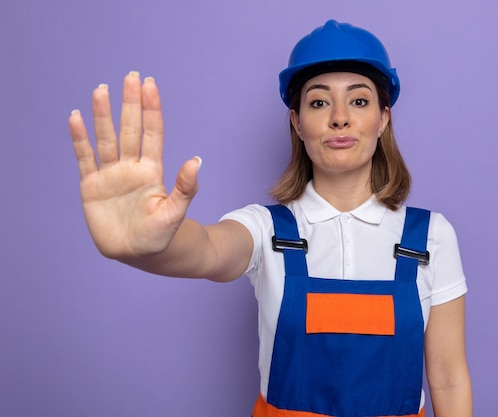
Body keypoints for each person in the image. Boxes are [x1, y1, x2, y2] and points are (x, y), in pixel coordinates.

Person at [69, 19, 472, 417]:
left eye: (359, 100)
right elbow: (207, 250)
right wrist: (146, 245)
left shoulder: (430, 237)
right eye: (318, 102)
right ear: (297, 122)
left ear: (383, 118)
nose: (339, 117)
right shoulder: (265, 230)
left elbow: (449, 378)